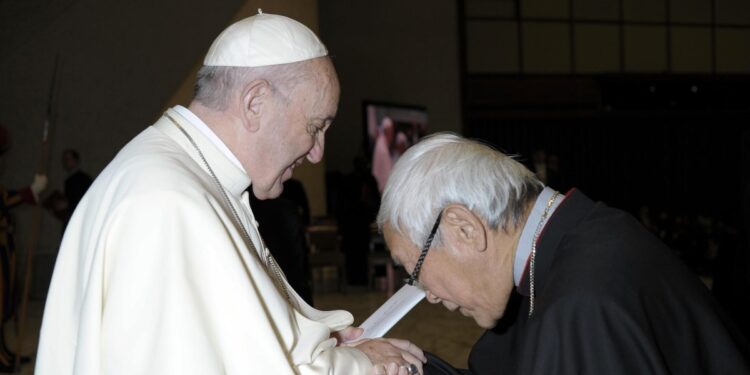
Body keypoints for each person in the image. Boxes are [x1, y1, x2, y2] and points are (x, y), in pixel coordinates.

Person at [36, 12, 425, 375]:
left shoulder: (183, 176)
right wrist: (356, 364)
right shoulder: (166, 203)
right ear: (255, 103)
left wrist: (327, 343)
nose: (318, 151)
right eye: (315, 126)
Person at [377, 133, 750, 374]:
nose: (428, 294)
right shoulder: (584, 234)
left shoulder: (580, 306)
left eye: (415, 270)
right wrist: (408, 367)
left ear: (464, 229)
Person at [0, 123, 46, 371]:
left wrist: (31, 191)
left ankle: (3, 351)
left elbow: (5, 198)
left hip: (4, 251)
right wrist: (30, 191)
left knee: (5, 301)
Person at [45, 149, 93, 228]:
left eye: (68, 159)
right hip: (71, 220)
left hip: (79, 221)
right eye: (64, 160)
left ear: (75, 160)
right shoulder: (69, 180)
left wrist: (68, 204)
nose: (65, 162)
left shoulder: (83, 178)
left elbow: (86, 199)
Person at [372, 116, 395, 193]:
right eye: (390, 131)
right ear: (386, 131)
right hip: (382, 189)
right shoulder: (382, 147)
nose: (392, 134)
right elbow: (386, 172)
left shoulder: (383, 143)